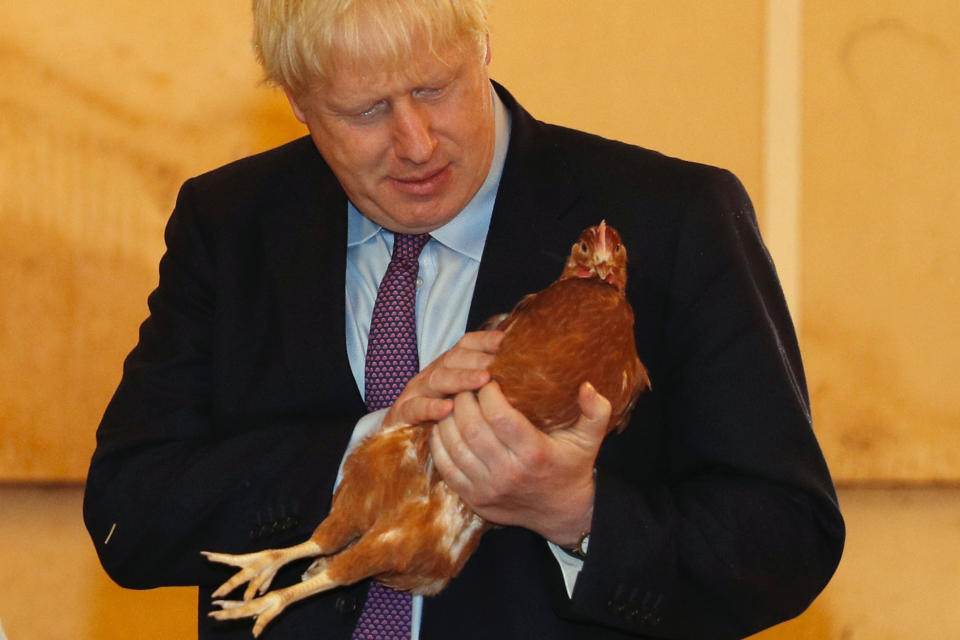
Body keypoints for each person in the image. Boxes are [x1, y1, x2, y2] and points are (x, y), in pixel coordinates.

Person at [83, 1, 845, 638]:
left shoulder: (671, 220)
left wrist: (577, 514)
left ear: (481, 47)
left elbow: (787, 538)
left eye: (438, 89)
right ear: (297, 103)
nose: (416, 143)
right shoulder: (231, 225)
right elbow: (130, 515)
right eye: (366, 111)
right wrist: (372, 450)